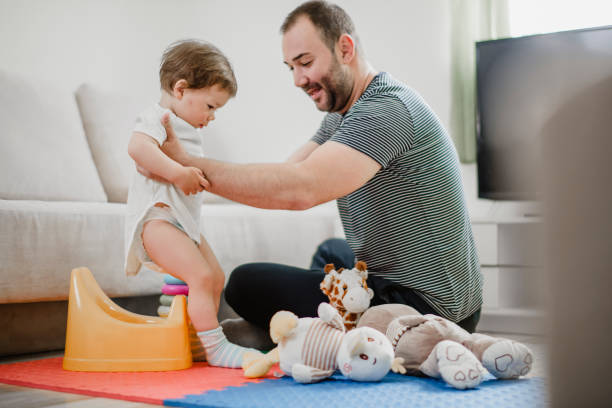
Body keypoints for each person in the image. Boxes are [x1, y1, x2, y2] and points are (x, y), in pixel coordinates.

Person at [152, 1, 483, 337]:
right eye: (291, 67)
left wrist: (186, 164)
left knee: (244, 283)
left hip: (430, 308)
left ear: (345, 48)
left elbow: (299, 189)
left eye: (305, 63)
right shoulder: (344, 113)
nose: (298, 79)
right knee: (330, 251)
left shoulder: (385, 110)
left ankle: (303, 334)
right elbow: (288, 170)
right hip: (420, 288)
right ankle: (316, 330)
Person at [124, 39, 259, 367]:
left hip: (182, 223)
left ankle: (199, 340)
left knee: (215, 276)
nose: (212, 117)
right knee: (199, 277)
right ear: (181, 89)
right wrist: (178, 172)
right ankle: (217, 348)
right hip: (156, 222)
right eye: (211, 106)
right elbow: (137, 148)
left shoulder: (186, 126)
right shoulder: (158, 117)